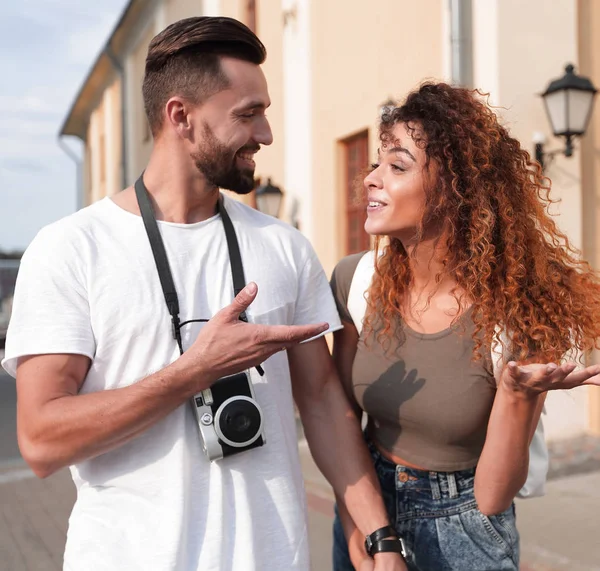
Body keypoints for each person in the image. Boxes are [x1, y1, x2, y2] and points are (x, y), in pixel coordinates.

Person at [1, 17, 405, 571]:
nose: (265, 134)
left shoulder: (284, 247)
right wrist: (196, 370)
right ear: (180, 116)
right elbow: (42, 440)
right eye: (248, 114)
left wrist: (377, 530)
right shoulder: (70, 249)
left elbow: (321, 403)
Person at [329, 81, 600, 571]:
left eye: (397, 165)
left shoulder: (517, 310)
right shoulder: (356, 280)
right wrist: (364, 529)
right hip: (367, 503)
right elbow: (340, 420)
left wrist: (520, 396)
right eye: (375, 162)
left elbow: (494, 496)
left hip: (462, 530)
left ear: (454, 191)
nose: (371, 178)